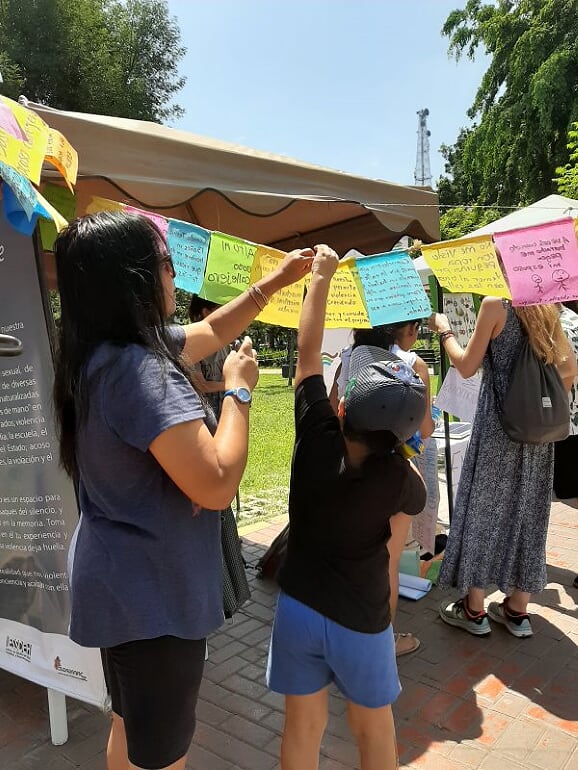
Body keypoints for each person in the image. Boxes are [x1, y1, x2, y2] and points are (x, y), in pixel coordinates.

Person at [52, 210, 314, 770]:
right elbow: (218, 483)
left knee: (127, 728)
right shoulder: (141, 371)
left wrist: (274, 282)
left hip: (117, 585)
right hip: (152, 599)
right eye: (167, 265)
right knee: (165, 757)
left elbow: (211, 331)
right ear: (135, 280)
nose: (174, 278)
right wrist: (239, 393)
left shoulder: (98, 354)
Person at [267, 246, 427, 770]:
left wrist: (320, 276)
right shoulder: (399, 477)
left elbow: (308, 348)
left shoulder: (316, 432)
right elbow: (418, 493)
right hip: (362, 619)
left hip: (297, 607)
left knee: (301, 729)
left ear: (340, 405)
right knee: (375, 733)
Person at [428, 298, 577, 638]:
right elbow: (569, 369)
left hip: (498, 429)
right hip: (538, 436)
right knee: (529, 512)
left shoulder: (496, 306)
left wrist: (445, 330)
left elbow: (467, 366)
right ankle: (517, 609)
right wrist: (540, 406)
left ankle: (474, 608)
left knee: (484, 511)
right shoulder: (548, 308)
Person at [331, 321, 435, 657]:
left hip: (349, 469)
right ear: (398, 328)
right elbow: (425, 428)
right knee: (386, 562)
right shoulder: (412, 366)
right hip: (392, 476)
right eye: (414, 325)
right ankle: (382, 642)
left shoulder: (345, 360)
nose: (416, 331)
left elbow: (334, 412)